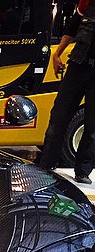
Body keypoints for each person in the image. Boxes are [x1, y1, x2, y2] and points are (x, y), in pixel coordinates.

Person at [38, 0, 95, 184]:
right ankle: (47, 164)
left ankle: (83, 170)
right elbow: (72, 27)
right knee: (59, 116)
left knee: (93, 126)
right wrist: (57, 54)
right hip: (78, 65)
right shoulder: (87, 3)